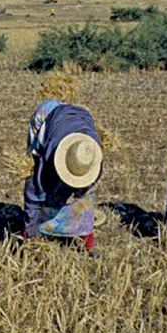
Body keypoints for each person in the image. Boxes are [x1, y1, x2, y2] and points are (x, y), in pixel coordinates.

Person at [22, 98, 103, 251]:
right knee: (44, 183)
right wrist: (31, 233)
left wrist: (76, 193)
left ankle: (88, 242)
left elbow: (89, 187)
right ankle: (37, 229)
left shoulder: (91, 153)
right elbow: (33, 193)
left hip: (80, 116)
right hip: (46, 116)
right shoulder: (51, 154)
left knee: (84, 197)